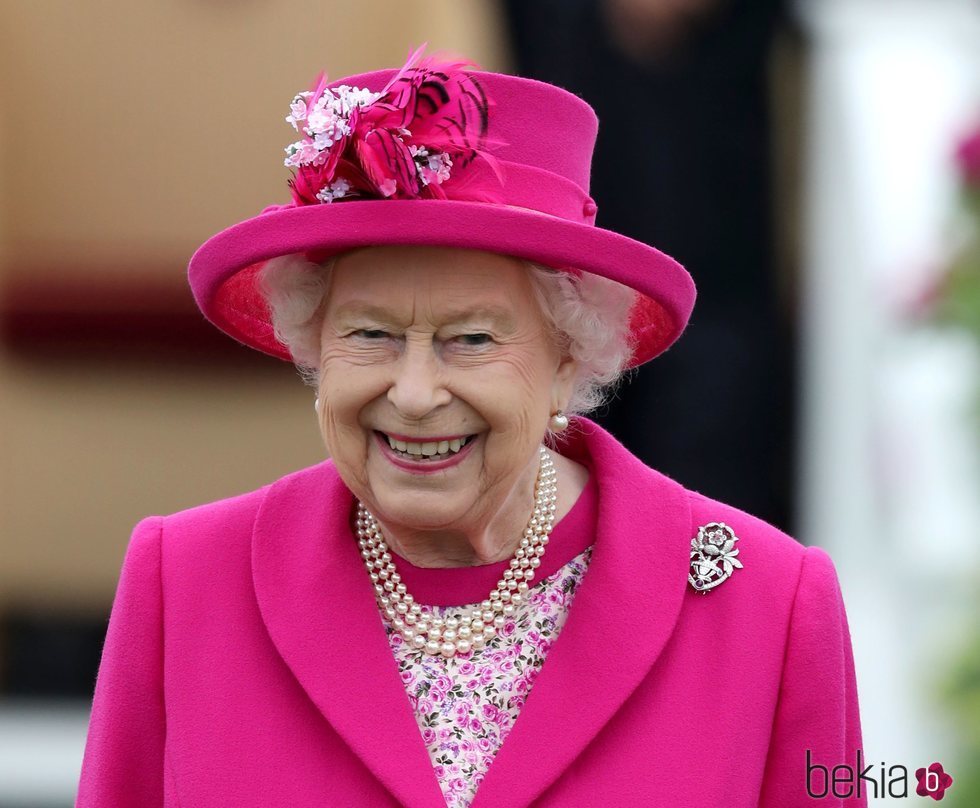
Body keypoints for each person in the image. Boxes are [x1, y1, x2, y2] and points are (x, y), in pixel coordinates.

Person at [76, 46, 865, 807]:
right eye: (371, 334)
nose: (415, 394)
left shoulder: (766, 607)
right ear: (314, 345)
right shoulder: (183, 585)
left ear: (571, 356)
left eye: (473, 339)